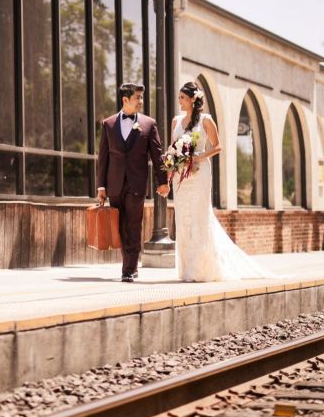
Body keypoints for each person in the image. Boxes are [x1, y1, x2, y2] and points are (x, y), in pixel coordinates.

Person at [169, 81, 276, 282]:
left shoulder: (206, 120)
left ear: (193, 99)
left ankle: (200, 269)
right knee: (183, 217)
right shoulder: (176, 121)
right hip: (180, 176)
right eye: (179, 98)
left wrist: (199, 156)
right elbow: (172, 148)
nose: (180, 101)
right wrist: (171, 168)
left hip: (200, 173)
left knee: (199, 216)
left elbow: (218, 146)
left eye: (182, 98)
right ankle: (186, 269)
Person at [96, 83, 169, 282]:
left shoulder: (148, 124)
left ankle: (129, 268)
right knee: (120, 226)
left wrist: (162, 181)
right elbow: (103, 158)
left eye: (141, 97)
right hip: (115, 184)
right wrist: (101, 186)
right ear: (125, 100)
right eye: (137, 97)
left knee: (133, 224)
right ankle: (130, 263)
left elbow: (157, 155)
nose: (141, 101)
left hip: (137, 184)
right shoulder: (108, 124)